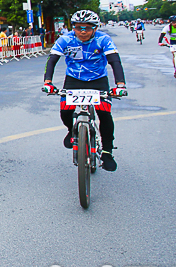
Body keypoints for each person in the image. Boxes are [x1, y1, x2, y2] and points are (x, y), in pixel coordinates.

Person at [43, 10, 127, 172]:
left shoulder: (103, 39)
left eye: (88, 28)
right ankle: (71, 130)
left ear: (95, 28)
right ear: (73, 27)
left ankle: (107, 151)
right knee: (65, 110)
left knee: (104, 113)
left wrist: (120, 85)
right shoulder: (65, 39)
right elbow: (52, 60)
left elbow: (115, 61)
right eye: (78, 27)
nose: (83, 32)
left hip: (98, 80)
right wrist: (48, 82)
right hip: (74, 79)